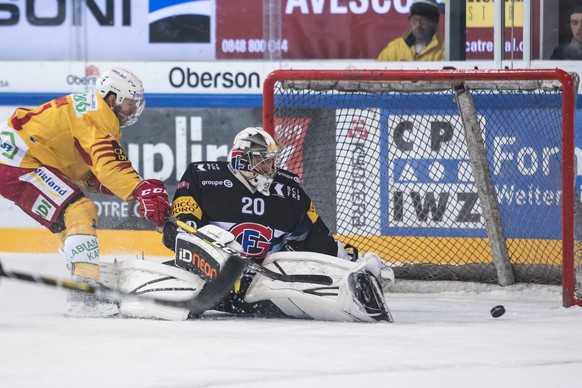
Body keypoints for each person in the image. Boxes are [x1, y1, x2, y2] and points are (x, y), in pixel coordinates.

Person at [160, 127, 393, 321]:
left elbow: (317, 238)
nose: (269, 168)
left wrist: (348, 264)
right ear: (241, 159)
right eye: (262, 161)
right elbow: (180, 232)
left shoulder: (288, 191)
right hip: (207, 278)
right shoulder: (204, 178)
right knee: (169, 297)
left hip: (263, 285)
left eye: (271, 161)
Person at [0, 68, 170, 318]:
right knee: (80, 209)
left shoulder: (91, 110)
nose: (133, 111)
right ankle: (84, 290)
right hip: (17, 162)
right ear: (112, 98)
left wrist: (124, 187)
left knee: (67, 223)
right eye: (130, 104)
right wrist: (138, 189)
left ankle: (84, 276)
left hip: (19, 158)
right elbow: (109, 165)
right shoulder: (96, 116)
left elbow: (87, 165)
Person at [377, 0, 444, 61]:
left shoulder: (445, 48)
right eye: (414, 20)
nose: (418, 25)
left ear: (434, 23)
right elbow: (376, 72)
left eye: (424, 20)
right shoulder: (396, 48)